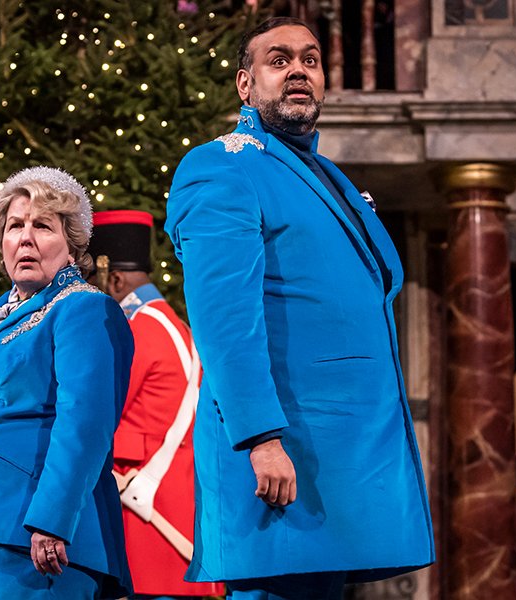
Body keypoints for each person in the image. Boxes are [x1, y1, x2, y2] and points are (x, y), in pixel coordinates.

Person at [164, 17, 436, 599]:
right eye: (279, 60)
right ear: (245, 84)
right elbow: (225, 319)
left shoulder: (329, 176)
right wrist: (261, 438)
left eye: (310, 61)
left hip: (339, 459)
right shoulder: (222, 167)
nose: (298, 72)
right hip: (283, 453)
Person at [0, 166, 134, 599]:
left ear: (72, 245)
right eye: (15, 226)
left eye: (42, 226)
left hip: (32, 537)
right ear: (1, 244)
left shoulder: (84, 310)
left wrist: (51, 520)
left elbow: (84, 425)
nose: (26, 238)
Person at [89, 210, 223, 599]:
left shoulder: (137, 330)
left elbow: (98, 414)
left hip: (145, 518)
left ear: (113, 278)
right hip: (172, 514)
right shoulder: (173, 324)